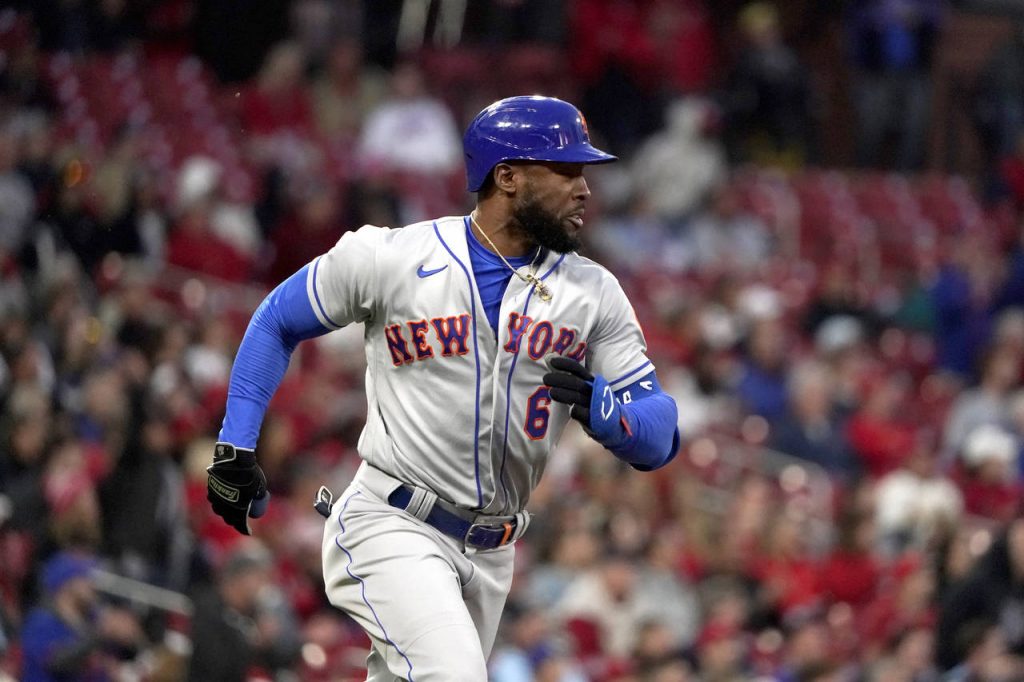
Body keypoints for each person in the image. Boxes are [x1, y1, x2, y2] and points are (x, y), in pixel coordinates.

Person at [205, 95, 681, 680]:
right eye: (566, 171)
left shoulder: (593, 292)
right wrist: (236, 443)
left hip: (493, 551)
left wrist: (614, 416)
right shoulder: (394, 257)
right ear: (507, 176)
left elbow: (660, 433)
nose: (584, 189)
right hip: (393, 522)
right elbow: (277, 318)